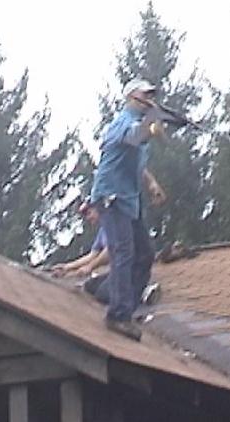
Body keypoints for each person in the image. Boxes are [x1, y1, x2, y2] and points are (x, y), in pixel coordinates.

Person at [90, 78, 167, 341]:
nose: (150, 99)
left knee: (144, 253)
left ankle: (128, 307)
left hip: (129, 199)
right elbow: (135, 136)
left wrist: (152, 183)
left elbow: (137, 162)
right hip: (111, 197)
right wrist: (155, 119)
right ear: (132, 97)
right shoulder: (122, 123)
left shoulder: (139, 129)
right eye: (146, 95)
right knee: (123, 252)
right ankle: (117, 315)